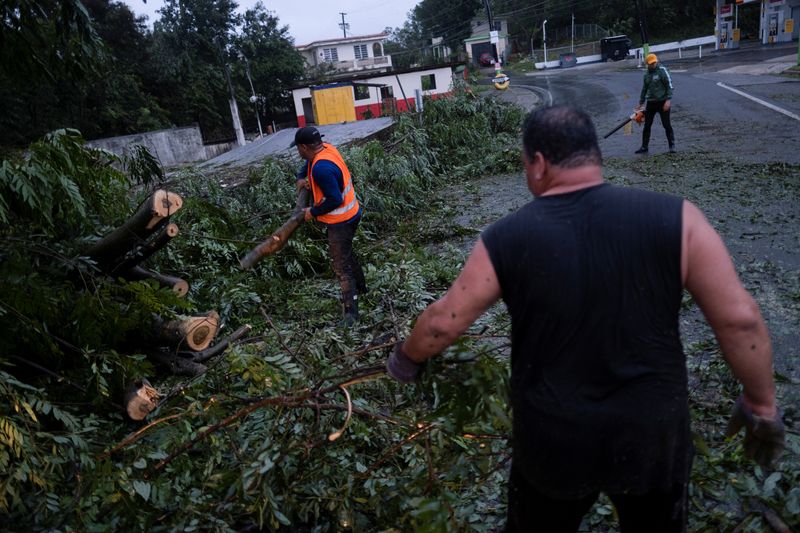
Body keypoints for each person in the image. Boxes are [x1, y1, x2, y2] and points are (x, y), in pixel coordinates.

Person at [386, 106, 784, 531]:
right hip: (650, 436)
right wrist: (761, 403)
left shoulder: (506, 237)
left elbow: (443, 322)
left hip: (553, 441)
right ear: (594, 155)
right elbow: (739, 319)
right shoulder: (678, 218)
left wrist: (406, 359)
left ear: (538, 163)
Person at [291, 126, 366, 325]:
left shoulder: (321, 169)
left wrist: (312, 212)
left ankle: (351, 314)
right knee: (347, 253)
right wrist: (301, 178)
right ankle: (363, 288)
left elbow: (334, 199)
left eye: (298, 148)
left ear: (305, 147)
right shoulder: (327, 149)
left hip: (340, 221)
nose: (298, 152)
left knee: (341, 266)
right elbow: (307, 164)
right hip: (352, 213)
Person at [636, 53, 675, 154]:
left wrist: (668, 100)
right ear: (647, 64)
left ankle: (672, 146)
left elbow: (669, 85)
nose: (653, 64)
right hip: (651, 103)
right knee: (647, 125)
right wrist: (640, 103)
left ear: (656, 61)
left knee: (666, 125)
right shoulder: (646, 75)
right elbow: (644, 89)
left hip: (663, 102)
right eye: (651, 63)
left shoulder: (662, 71)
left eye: (654, 62)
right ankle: (644, 147)